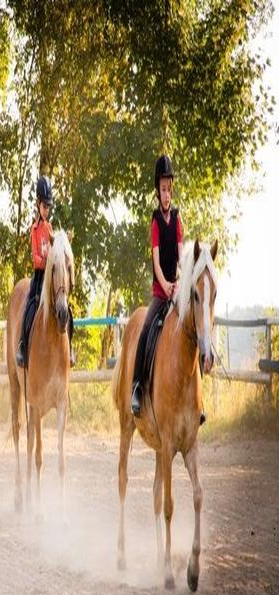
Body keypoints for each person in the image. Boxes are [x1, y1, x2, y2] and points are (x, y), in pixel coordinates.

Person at [130, 155, 183, 416]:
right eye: (163, 189)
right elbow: (157, 261)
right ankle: (138, 386)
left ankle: (195, 399)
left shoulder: (177, 219)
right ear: (157, 190)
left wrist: (180, 281)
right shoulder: (155, 222)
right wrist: (166, 285)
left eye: (169, 188)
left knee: (191, 332)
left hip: (176, 291)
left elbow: (181, 256)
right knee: (145, 332)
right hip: (161, 293)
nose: (166, 194)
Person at [15, 175, 75, 369]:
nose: (46, 210)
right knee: (30, 307)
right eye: (44, 206)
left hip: (52, 279)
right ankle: (23, 347)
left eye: (48, 207)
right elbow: (36, 258)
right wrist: (49, 261)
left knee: (68, 309)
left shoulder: (51, 230)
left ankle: (70, 348)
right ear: (38, 205)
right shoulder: (35, 229)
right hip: (40, 277)